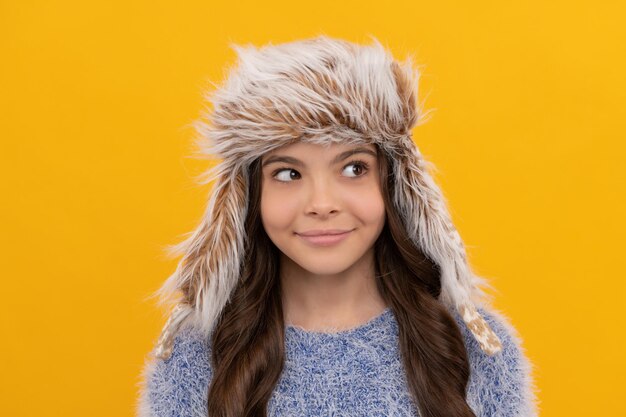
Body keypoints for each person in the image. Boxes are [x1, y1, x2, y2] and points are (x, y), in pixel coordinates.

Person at [136, 35, 539, 417]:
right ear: (247, 196)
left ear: (395, 183)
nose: (322, 204)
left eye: (353, 168)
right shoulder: (196, 357)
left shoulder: (474, 348)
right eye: (288, 173)